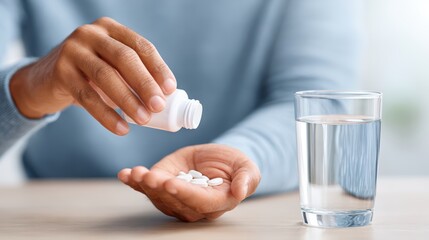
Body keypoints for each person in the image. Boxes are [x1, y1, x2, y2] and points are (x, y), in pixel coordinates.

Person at [0, 0, 361, 221]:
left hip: (253, 221)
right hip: (57, 219)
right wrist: (29, 87)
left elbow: (321, 105)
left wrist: (237, 160)